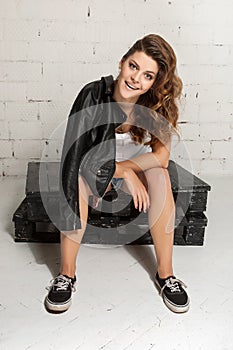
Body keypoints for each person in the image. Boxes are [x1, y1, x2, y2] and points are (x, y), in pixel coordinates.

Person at [44, 34, 190, 314]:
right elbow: (77, 154)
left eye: (147, 75)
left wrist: (125, 171)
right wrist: (115, 173)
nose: (136, 79)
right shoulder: (92, 94)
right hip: (93, 171)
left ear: (153, 83)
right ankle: (66, 275)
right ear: (122, 63)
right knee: (75, 180)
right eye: (133, 67)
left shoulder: (153, 104)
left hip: (134, 174)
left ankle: (166, 276)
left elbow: (161, 157)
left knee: (160, 176)